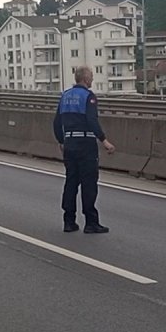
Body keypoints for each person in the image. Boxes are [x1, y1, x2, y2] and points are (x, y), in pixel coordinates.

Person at [53, 66, 115, 233]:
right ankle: (91, 223)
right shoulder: (89, 97)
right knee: (89, 184)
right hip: (86, 145)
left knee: (71, 182)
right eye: (92, 77)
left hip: (70, 144)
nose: (92, 80)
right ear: (86, 79)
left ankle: (69, 221)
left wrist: (61, 140)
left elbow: (57, 122)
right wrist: (105, 141)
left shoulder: (65, 96)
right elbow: (92, 121)